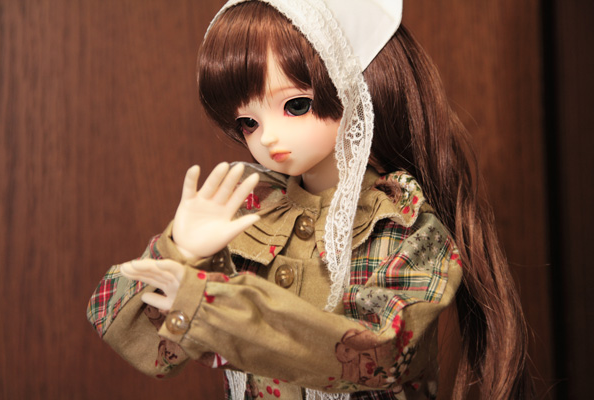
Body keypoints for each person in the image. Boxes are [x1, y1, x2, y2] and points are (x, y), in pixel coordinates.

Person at [87, 1, 531, 399]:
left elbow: (381, 354)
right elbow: (147, 348)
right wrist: (179, 251)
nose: (268, 137)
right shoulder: (251, 208)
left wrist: (213, 305)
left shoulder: (398, 223)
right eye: (248, 122)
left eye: (296, 105)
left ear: (354, 86)